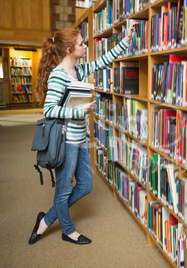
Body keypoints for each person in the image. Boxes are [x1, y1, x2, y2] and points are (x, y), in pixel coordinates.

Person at [29, 23, 137, 245]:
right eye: (81, 43)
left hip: (81, 139)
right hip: (66, 141)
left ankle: (46, 219)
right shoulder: (58, 75)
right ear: (69, 49)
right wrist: (79, 110)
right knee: (64, 189)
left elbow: (102, 61)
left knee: (86, 185)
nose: (85, 45)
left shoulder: (78, 70)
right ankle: (68, 230)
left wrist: (126, 39)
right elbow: (49, 110)